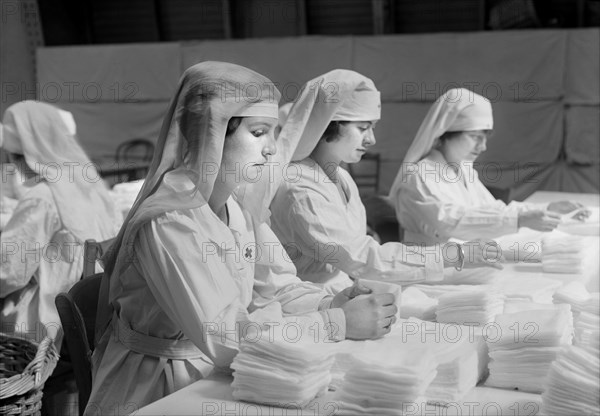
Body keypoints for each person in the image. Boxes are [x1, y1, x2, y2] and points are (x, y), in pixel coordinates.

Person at [85, 62, 397, 415]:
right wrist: (336, 324)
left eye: (273, 134)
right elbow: (224, 336)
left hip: (216, 372)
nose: (270, 149)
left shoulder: (235, 206)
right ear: (211, 134)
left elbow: (278, 287)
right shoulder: (169, 219)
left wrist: (331, 303)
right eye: (259, 132)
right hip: (155, 388)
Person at [269, 71, 501, 294]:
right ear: (329, 123)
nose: (371, 139)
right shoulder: (299, 188)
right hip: (312, 303)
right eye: (363, 128)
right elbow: (361, 257)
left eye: (373, 128)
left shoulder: (342, 178)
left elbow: (361, 254)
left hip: (344, 291)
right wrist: (453, 255)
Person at [389, 88, 588, 246]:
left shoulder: (463, 171)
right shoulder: (419, 177)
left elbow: (490, 208)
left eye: (485, 138)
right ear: (445, 133)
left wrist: (547, 208)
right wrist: (518, 220)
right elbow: (450, 222)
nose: (482, 147)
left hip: (464, 262)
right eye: (475, 137)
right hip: (429, 271)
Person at [0, 101, 119, 346]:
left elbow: (9, 273)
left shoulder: (42, 197)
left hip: (47, 327)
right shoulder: (89, 183)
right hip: (95, 317)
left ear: (18, 154)